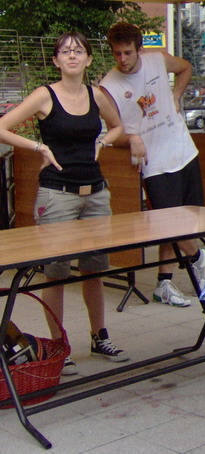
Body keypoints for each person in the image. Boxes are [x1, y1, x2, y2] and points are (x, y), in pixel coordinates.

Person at [0, 32, 127, 375]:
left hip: (96, 194)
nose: (72, 55)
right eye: (65, 51)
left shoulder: (96, 94)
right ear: (56, 60)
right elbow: (2, 127)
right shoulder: (45, 95)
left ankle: (99, 336)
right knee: (55, 273)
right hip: (57, 195)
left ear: (88, 59)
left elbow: (118, 126)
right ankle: (59, 345)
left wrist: (103, 140)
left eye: (79, 50)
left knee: (94, 268)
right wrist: (38, 147)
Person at [100, 23, 205, 308]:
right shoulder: (108, 86)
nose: (122, 59)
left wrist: (176, 95)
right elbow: (112, 133)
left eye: (127, 53)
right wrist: (131, 138)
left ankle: (164, 282)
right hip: (154, 164)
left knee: (188, 220)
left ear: (140, 49)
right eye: (117, 53)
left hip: (182, 149)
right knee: (168, 224)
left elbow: (185, 68)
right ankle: (198, 257)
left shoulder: (157, 60)